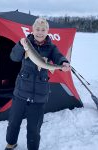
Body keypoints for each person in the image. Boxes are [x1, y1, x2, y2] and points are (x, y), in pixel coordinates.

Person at [5, 17, 70, 150]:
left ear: (47, 31)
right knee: (13, 123)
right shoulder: (26, 43)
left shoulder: (51, 47)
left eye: (43, 30)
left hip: (39, 95)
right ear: (33, 30)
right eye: (37, 29)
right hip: (21, 91)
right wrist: (19, 45)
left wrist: (63, 62)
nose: (40, 32)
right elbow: (14, 57)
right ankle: (11, 143)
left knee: (34, 128)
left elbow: (58, 56)